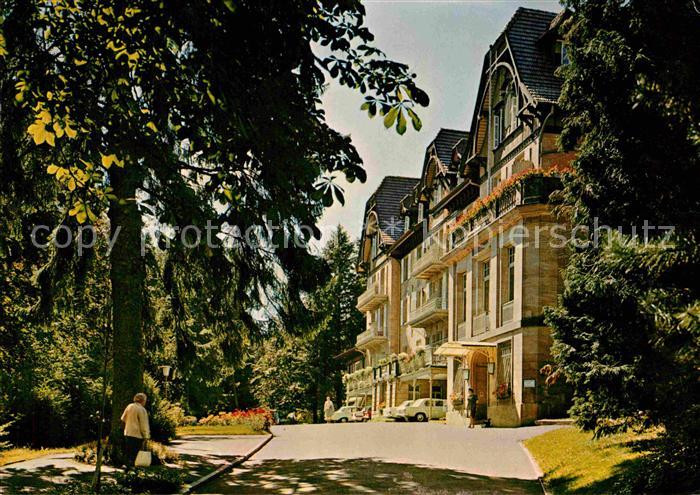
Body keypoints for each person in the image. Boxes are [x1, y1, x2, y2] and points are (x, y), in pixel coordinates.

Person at [120, 392, 151, 465]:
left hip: (128, 432)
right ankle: (132, 470)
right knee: (135, 455)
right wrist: (146, 436)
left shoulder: (129, 406)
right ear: (143, 400)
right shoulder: (142, 409)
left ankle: (127, 468)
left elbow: (123, 418)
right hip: (137, 435)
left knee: (128, 453)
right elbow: (144, 425)